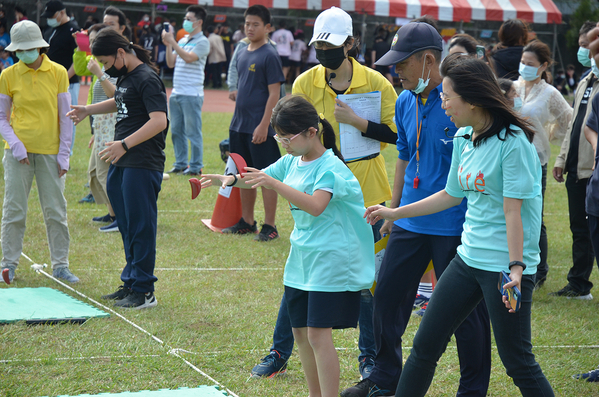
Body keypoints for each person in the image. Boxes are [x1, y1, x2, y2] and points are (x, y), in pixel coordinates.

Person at [364, 53, 554, 397]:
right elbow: (450, 194)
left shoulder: (514, 144)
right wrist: (395, 212)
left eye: (448, 96)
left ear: (473, 99)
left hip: (504, 269)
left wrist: (515, 269)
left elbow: (515, 213)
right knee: (424, 347)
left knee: (518, 362)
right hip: (467, 260)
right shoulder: (465, 136)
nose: (443, 102)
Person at [341, 23, 492, 397]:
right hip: (409, 218)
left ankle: (472, 389)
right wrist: (394, 210)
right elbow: (404, 158)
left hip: (454, 225)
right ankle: (383, 378)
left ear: (428, 61)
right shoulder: (405, 99)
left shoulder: (459, 101)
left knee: (467, 317)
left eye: (403, 64)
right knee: (388, 297)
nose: (397, 71)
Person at [251, 6, 397, 381]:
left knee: (366, 281)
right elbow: (292, 134)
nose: (325, 52)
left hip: (365, 191)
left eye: (332, 45)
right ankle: (279, 351)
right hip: (318, 190)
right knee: (302, 277)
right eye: (319, 45)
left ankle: (369, 360)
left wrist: (359, 123)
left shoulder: (377, 83)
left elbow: (398, 135)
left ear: (351, 43)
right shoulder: (306, 83)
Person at [201, 95, 375, 397]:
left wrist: (276, 184)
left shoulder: (330, 168)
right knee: (300, 333)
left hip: (332, 259)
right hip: (303, 257)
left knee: (319, 335)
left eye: (287, 136)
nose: (282, 142)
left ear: (311, 132)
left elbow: (316, 205)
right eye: (278, 136)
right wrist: (224, 179)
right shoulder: (293, 159)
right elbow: (257, 177)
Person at [66, 28, 168, 309]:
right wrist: (89, 109)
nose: (107, 70)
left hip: (142, 162)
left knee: (140, 226)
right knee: (126, 225)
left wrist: (123, 144)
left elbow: (159, 121)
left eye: (108, 63)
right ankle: (131, 282)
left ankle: (145, 291)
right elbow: (121, 101)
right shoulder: (127, 77)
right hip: (122, 161)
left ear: (121, 53)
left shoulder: (148, 78)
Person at [0, 20, 78, 284]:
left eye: (27, 48)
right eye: (18, 50)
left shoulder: (58, 73)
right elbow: (2, 117)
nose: (23, 54)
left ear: (39, 46)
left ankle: (61, 266)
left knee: (56, 211)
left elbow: (66, 117)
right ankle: (8, 265)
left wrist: (64, 154)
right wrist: (16, 144)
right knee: (14, 211)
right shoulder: (7, 75)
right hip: (16, 155)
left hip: (50, 153)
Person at [513, 40, 573, 290]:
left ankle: (540, 270)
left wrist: (548, 135)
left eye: (530, 64)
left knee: (535, 216)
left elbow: (568, 118)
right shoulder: (513, 87)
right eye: (523, 62)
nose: (524, 67)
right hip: (510, 157)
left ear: (543, 66)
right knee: (512, 212)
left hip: (536, 160)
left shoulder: (549, 93)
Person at [223, 5, 284, 241]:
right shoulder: (242, 51)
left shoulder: (269, 54)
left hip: (260, 128)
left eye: (255, 24)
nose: (250, 28)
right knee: (243, 176)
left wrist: (263, 125)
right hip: (238, 126)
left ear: (268, 28)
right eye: (247, 23)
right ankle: (247, 222)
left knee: (266, 178)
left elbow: (274, 93)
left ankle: (270, 226)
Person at [550, 21, 599, 300]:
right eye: (580, 46)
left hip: (593, 169)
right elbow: (572, 127)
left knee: (591, 230)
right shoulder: (585, 81)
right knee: (579, 228)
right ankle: (579, 283)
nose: (583, 51)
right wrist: (561, 159)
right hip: (575, 169)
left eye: (586, 46)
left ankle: (580, 282)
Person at [72, 23, 120, 232]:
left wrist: (100, 72)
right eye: (90, 41)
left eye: (95, 41)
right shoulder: (98, 62)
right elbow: (82, 71)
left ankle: (121, 217)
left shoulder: (111, 65)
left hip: (111, 123)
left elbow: (117, 96)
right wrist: (79, 48)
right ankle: (113, 215)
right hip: (100, 124)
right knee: (95, 173)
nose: (92, 45)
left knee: (104, 173)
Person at [162, 6, 209, 176]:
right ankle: (181, 163)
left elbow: (189, 58)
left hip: (192, 93)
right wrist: (169, 44)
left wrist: (172, 41)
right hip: (177, 92)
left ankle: (195, 166)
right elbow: (170, 63)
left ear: (199, 22)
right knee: (176, 131)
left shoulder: (203, 42)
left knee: (192, 131)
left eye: (189, 19)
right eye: (186, 18)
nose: (186, 21)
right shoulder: (182, 41)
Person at [41, 0, 79, 154]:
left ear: (62, 13)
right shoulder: (50, 30)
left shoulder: (74, 31)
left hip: (68, 83)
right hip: (48, 81)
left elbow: (79, 60)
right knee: (49, 115)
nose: (49, 19)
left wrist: (64, 77)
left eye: (52, 15)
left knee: (68, 118)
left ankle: (66, 153)